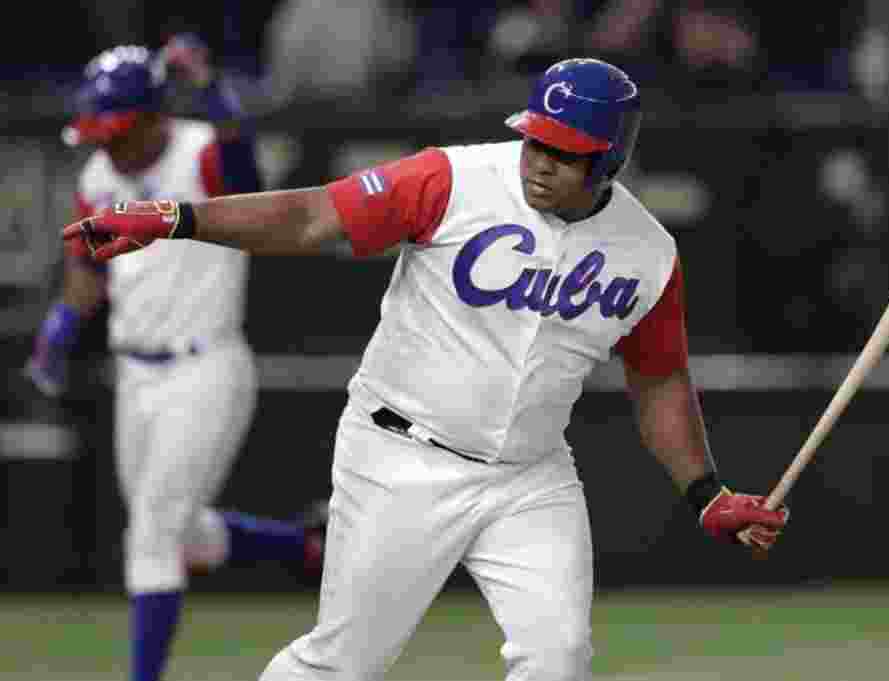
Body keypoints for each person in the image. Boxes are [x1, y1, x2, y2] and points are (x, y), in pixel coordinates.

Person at [64, 57, 791, 681]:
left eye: (564, 152)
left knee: (560, 654)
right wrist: (175, 217)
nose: (538, 159)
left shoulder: (649, 251)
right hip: (399, 453)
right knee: (343, 661)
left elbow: (659, 377)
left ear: (609, 161)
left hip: (528, 475)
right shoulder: (453, 179)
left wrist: (705, 491)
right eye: (535, 138)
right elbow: (312, 217)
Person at [26, 36, 327, 681]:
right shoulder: (99, 174)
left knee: (152, 536)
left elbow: (250, 186)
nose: (107, 142)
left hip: (205, 367)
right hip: (134, 372)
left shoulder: (204, 151)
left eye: (119, 129)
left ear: (154, 116)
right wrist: (59, 324)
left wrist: (214, 89)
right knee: (181, 535)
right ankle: (307, 547)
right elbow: (89, 265)